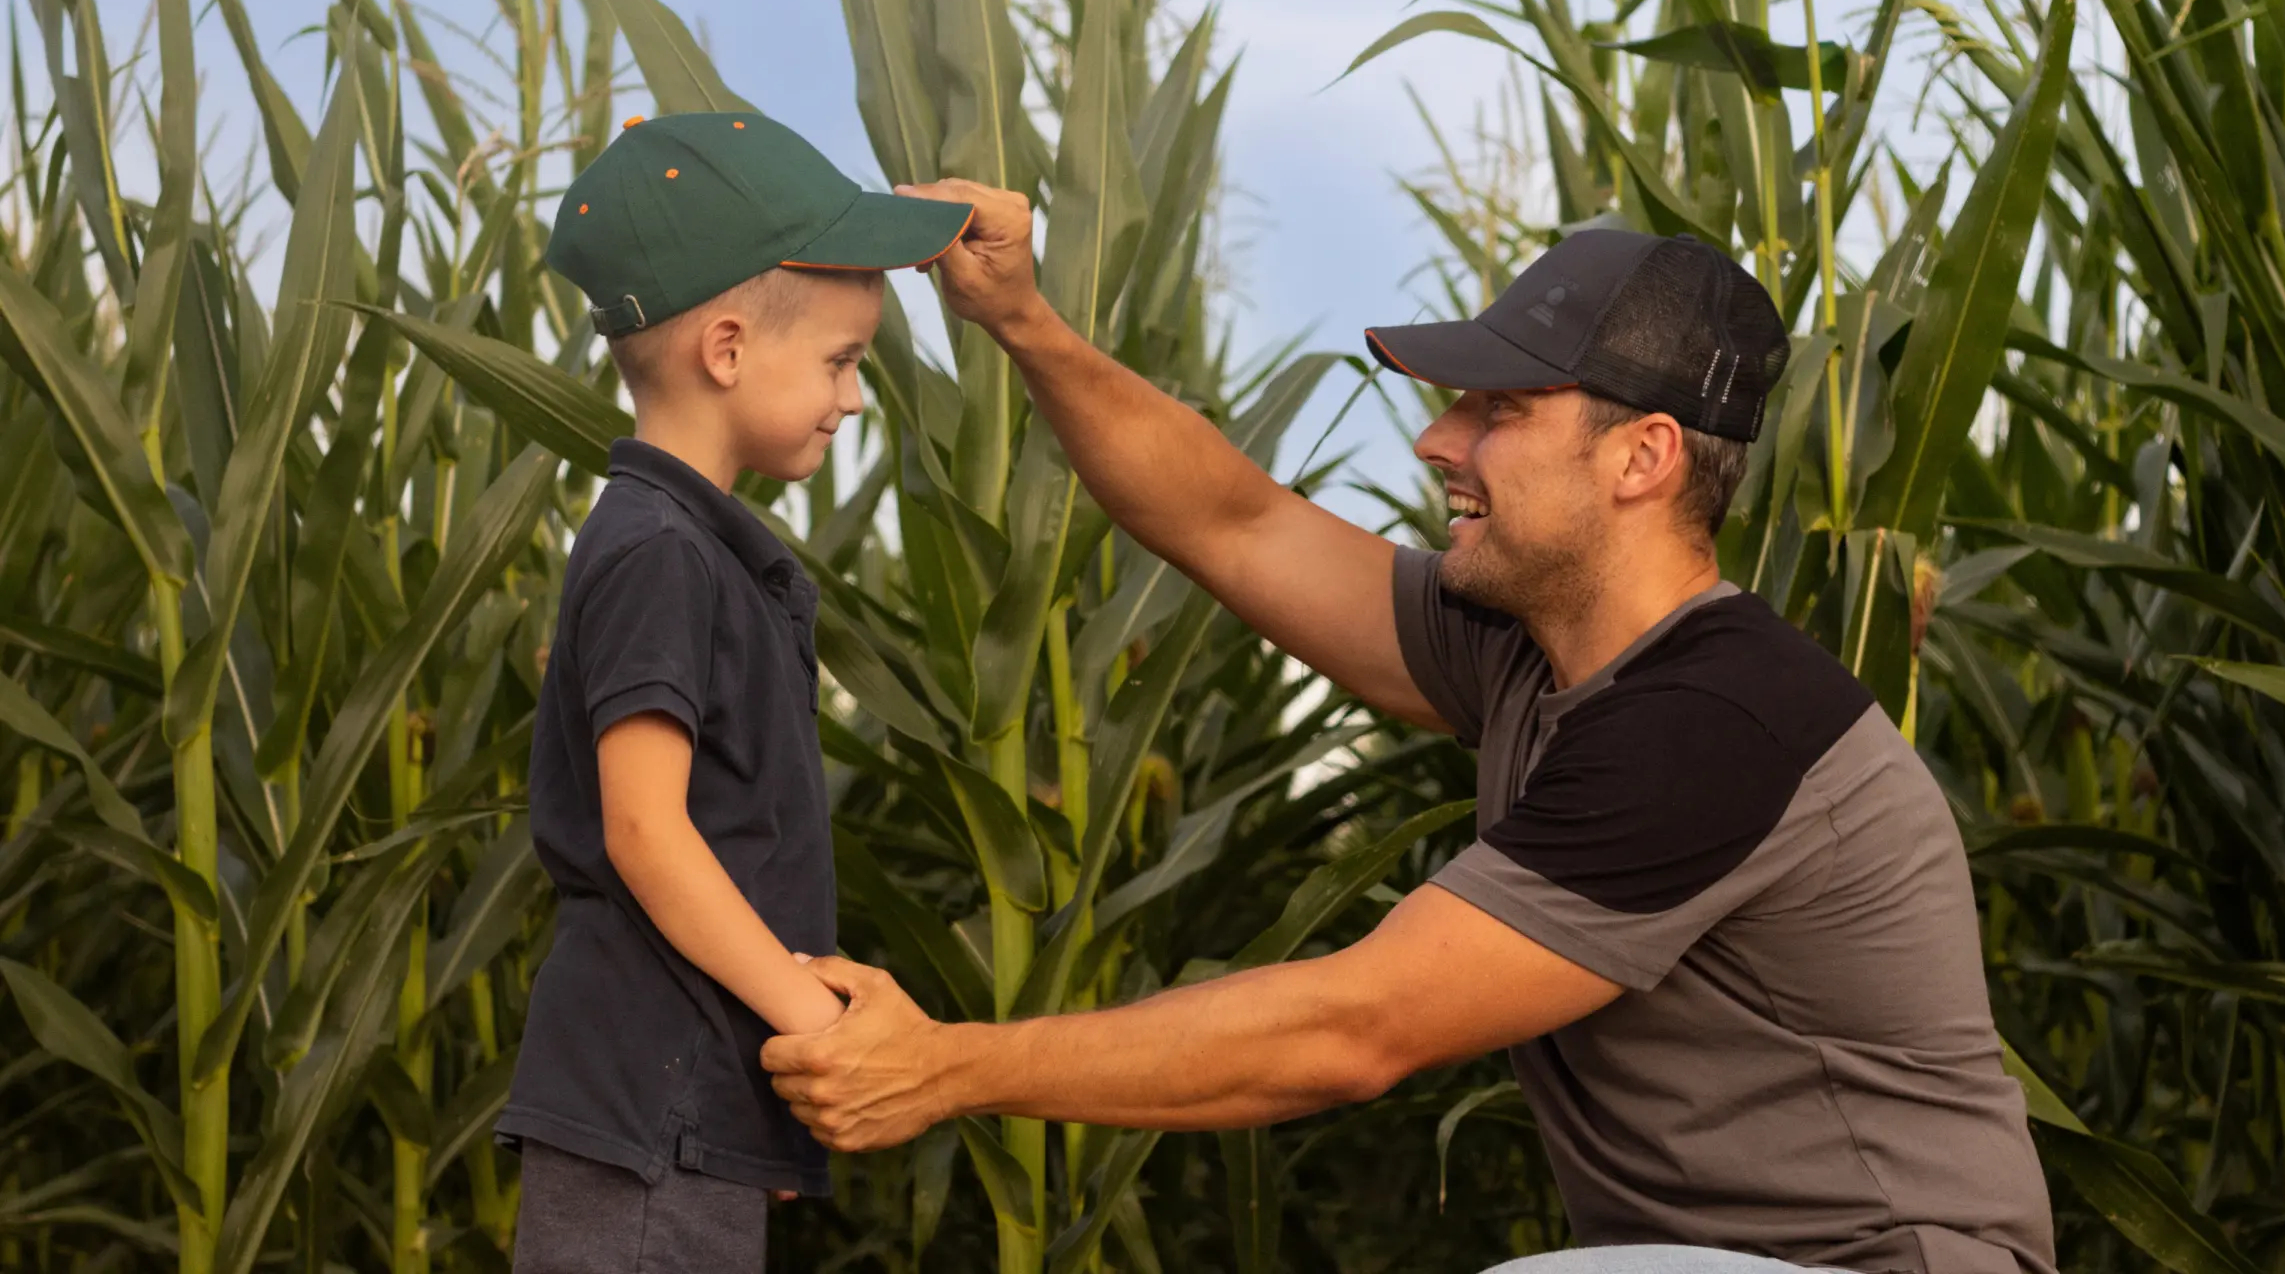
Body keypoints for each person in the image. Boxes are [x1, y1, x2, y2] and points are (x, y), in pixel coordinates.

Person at [763, 179, 2059, 1274]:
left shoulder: (1716, 726)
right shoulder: (1525, 651)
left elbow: (1355, 1027)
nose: (1440, 440)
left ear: (1643, 457)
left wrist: (941, 1068)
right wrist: (1022, 320)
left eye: (1499, 410)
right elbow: (1236, 522)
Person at [493, 112, 972, 1273]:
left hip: (681, 1106)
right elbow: (647, 830)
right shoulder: (659, 549)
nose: (853, 398)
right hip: (648, 1114)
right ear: (724, 349)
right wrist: (815, 1027)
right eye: (841, 362)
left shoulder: (688, 545)